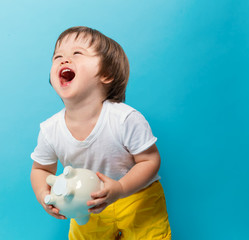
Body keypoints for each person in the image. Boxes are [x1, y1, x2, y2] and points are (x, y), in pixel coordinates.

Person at [30, 26, 171, 240]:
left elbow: (150, 160)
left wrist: (121, 188)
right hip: (86, 208)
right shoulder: (50, 130)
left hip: (137, 199)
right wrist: (44, 196)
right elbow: (40, 169)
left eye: (77, 53)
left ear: (106, 74)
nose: (64, 60)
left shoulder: (125, 119)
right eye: (57, 56)